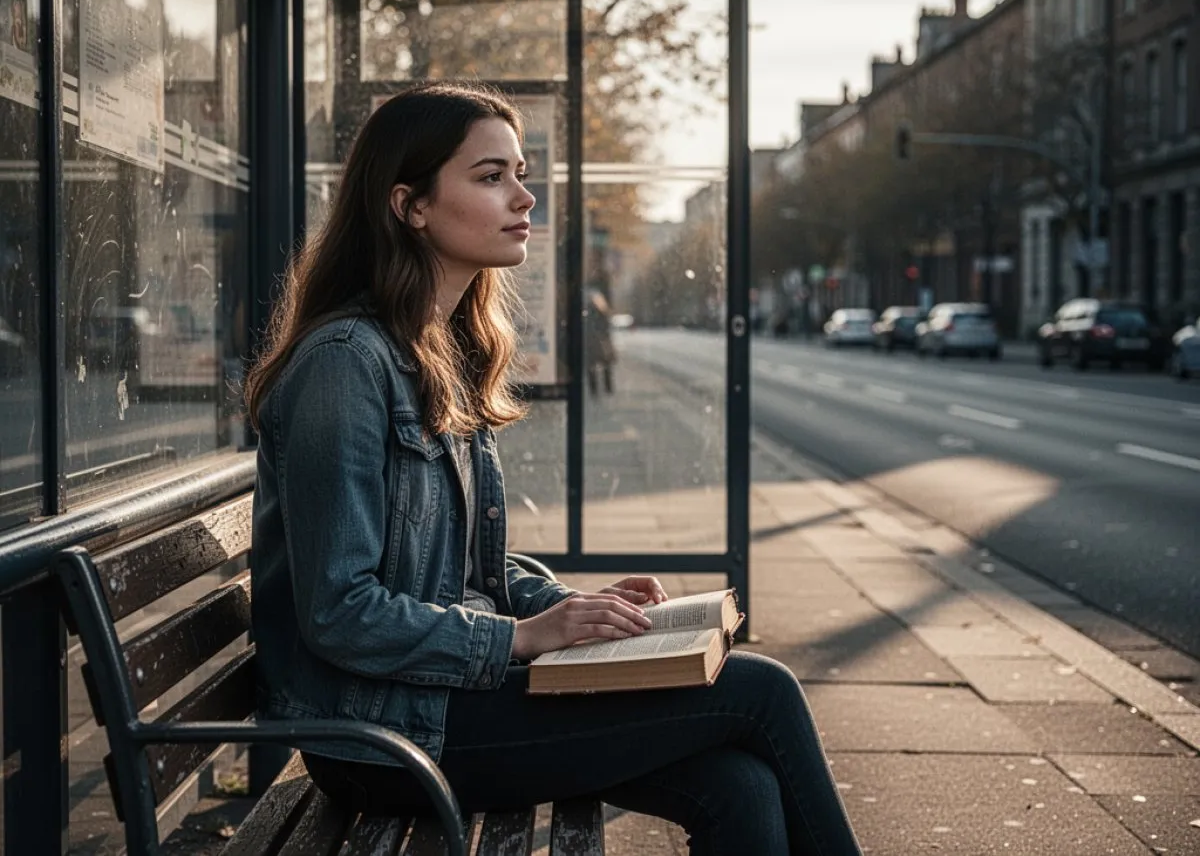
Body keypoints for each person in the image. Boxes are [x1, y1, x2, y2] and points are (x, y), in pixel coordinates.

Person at [245, 81, 862, 856]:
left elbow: (460, 567)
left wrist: (574, 609)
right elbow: (340, 609)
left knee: (738, 783)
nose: (525, 197)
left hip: (443, 702)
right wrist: (525, 638)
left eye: (521, 171)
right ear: (410, 205)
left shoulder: (436, 349)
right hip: (384, 736)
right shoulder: (346, 365)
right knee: (763, 691)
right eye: (491, 176)